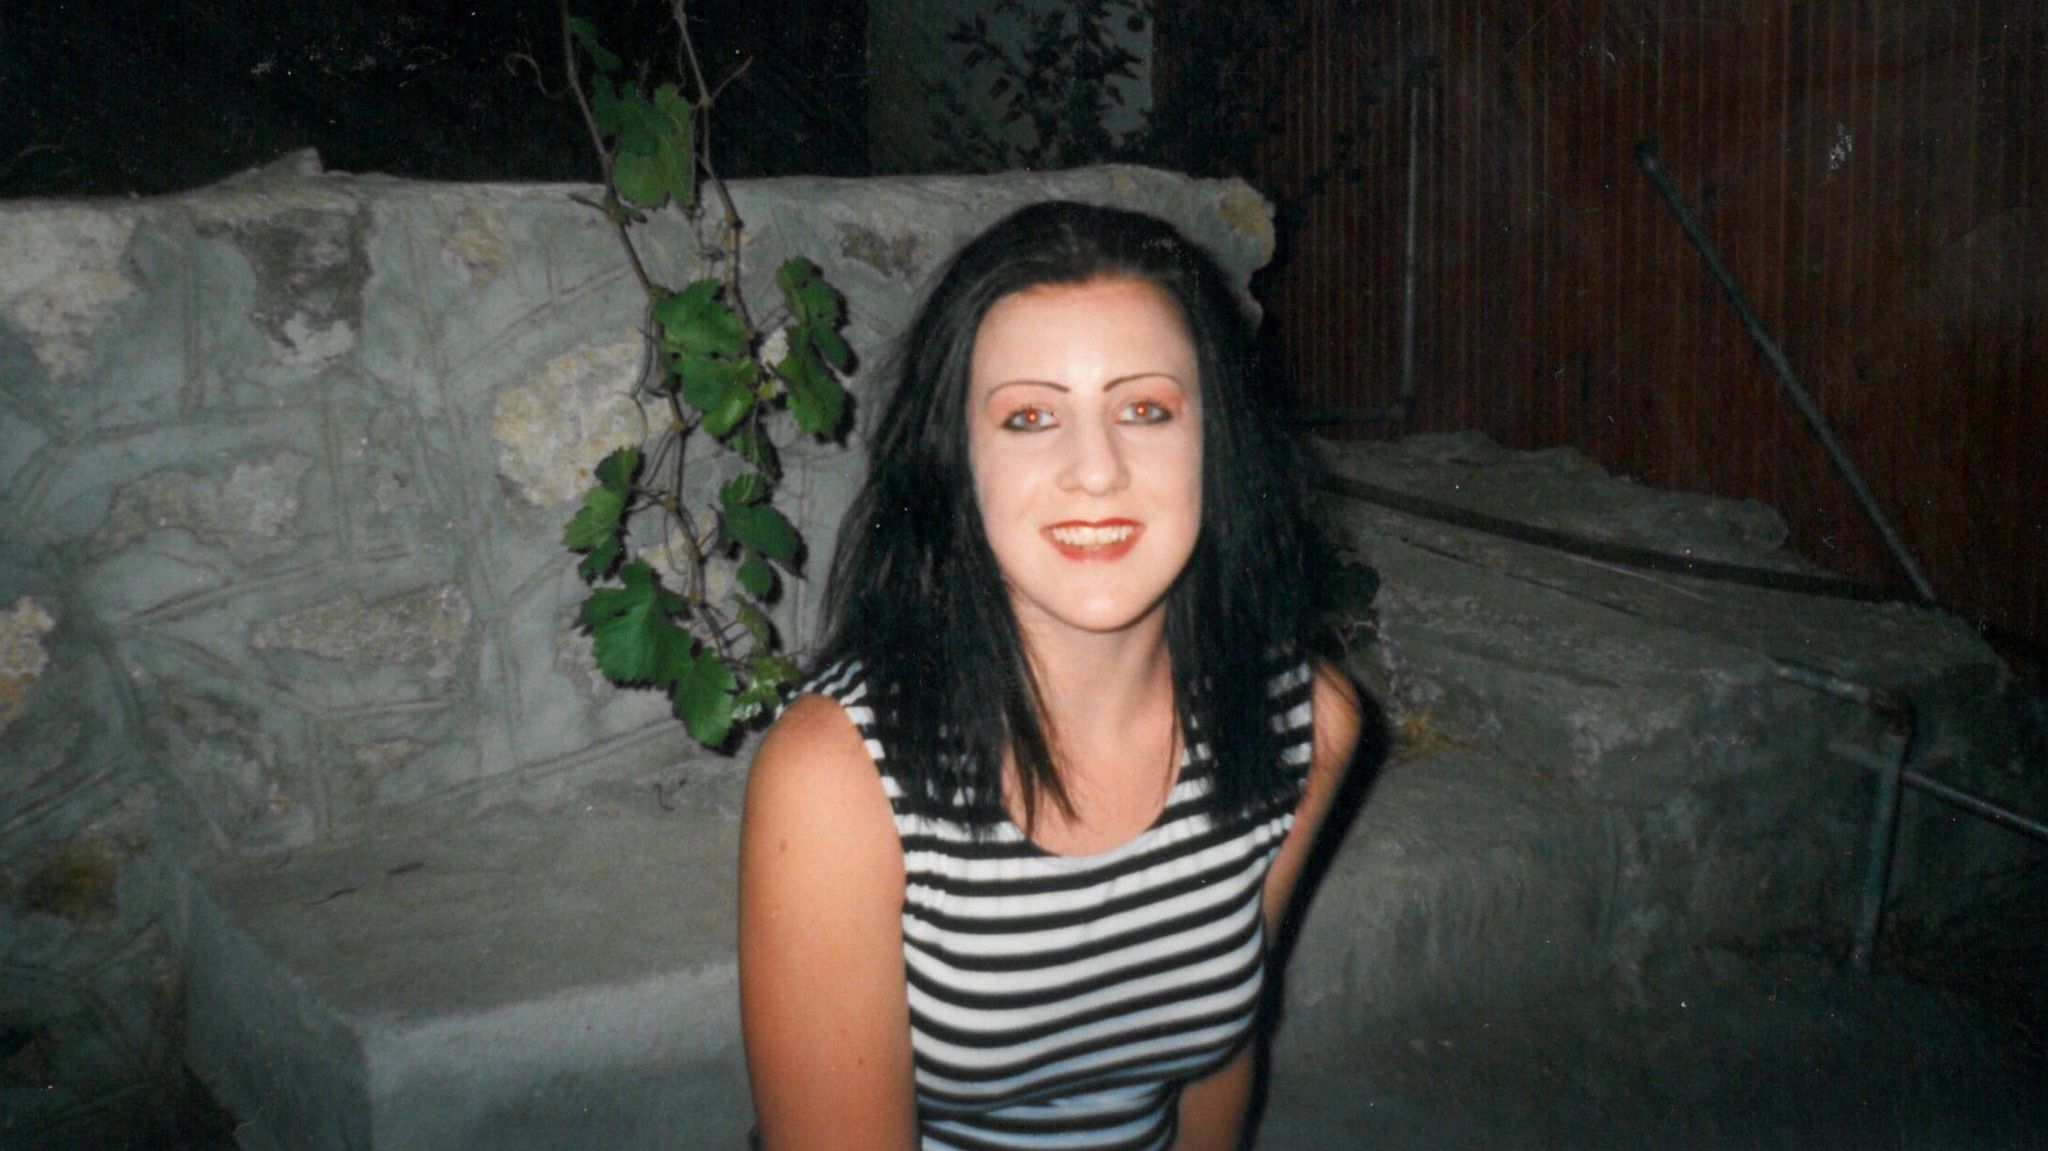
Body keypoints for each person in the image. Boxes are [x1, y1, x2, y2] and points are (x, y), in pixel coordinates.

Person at [738, 200, 1363, 1150]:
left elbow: (1222, 1057)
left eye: (1145, 409)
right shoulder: (838, 777)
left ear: (1217, 443)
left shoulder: (1304, 722)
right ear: (958, 464)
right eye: (1030, 417)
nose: (1097, 470)